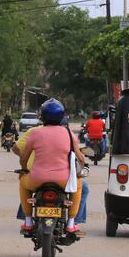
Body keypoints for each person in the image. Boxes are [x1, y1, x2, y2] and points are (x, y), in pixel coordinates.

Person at [17, 98, 85, 235]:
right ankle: (71, 224)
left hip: (37, 179)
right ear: (62, 116)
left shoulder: (35, 133)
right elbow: (81, 158)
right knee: (78, 186)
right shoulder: (69, 134)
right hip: (63, 181)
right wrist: (80, 170)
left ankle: (28, 221)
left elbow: (24, 158)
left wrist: (24, 169)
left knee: (23, 183)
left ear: (42, 116)